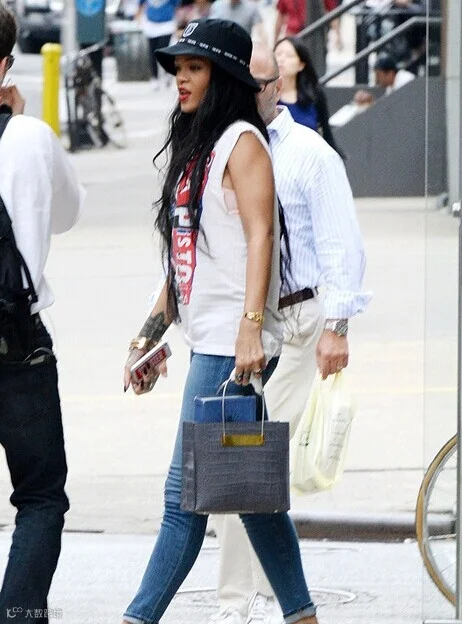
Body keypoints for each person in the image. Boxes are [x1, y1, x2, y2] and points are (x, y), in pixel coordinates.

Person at [121, 18, 319, 624]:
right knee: (253, 500)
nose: (181, 78)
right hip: (208, 338)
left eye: (195, 67)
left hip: (230, 348)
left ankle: (136, 617)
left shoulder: (242, 143)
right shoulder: (198, 149)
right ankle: (303, 615)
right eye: (178, 68)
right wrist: (147, 336)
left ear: (225, 75)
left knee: (184, 499)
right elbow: (183, 261)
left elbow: (262, 236)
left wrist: (250, 327)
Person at [210, 44, 371, 624]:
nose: (246, 94)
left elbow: (342, 245)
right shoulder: (224, 149)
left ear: (276, 87)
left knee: (248, 464)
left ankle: (239, 603)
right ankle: (264, 597)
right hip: (245, 326)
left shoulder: (308, 155)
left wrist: (337, 327)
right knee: (240, 464)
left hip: (299, 324)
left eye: (255, 84)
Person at [0, 4, 84, 621]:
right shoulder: (29, 138)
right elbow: (69, 212)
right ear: (5, 64)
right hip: (16, 342)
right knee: (40, 496)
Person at [274, 37, 343, 156]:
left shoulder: (314, 96)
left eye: (289, 56)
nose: (281, 59)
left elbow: (326, 132)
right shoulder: (264, 96)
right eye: (278, 54)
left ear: (301, 64)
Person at [137, 0, 179, 89]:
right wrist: (138, 17)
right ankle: (154, 77)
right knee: (152, 53)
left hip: (166, 25)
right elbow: (141, 4)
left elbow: (176, 6)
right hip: (151, 25)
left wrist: (176, 23)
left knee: (163, 50)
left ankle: (167, 72)